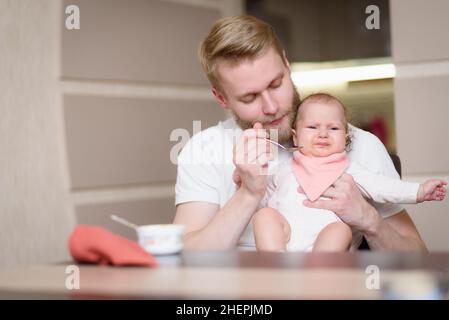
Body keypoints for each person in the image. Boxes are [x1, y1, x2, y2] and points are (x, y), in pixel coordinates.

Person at [173, 14, 428, 251]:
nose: (271, 107)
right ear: (222, 98)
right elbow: (183, 258)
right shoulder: (203, 149)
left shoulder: (361, 145)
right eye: (250, 97)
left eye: (276, 84)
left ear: (286, 64)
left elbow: (419, 259)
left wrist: (369, 219)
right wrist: (248, 195)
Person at [252, 93, 447, 252]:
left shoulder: (350, 170)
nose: (323, 134)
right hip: (285, 239)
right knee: (264, 216)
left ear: (345, 139)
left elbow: (383, 187)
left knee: (340, 231)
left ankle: (314, 280)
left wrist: (419, 191)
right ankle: (277, 268)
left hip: (326, 246)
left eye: (333, 128)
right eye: (312, 127)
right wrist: (245, 184)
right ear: (295, 137)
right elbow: (265, 197)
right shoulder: (283, 168)